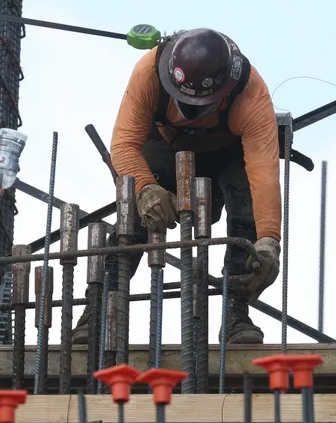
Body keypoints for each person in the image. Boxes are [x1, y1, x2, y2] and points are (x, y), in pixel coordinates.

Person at [74, 27, 284, 344]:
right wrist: (145, 189)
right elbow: (125, 145)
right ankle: (97, 314)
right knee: (132, 216)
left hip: (227, 151)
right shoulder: (149, 72)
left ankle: (237, 317)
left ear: (224, 92)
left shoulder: (250, 93)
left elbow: (263, 172)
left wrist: (268, 240)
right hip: (165, 144)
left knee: (247, 210)